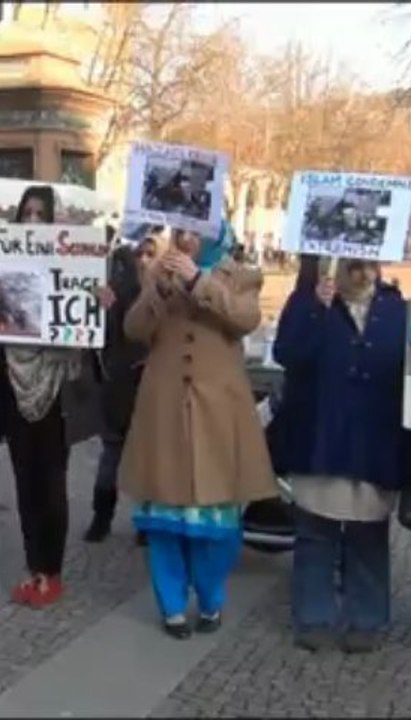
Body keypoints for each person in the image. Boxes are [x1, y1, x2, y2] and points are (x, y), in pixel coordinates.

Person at [120, 221, 277, 639]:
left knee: (217, 526)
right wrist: (158, 290)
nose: (186, 239)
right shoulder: (156, 273)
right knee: (164, 523)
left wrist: (198, 281)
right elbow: (133, 329)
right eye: (182, 231)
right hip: (165, 409)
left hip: (218, 412)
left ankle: (210, 599)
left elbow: (245, 318)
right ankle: (171, 605)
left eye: (196, 231)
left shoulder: (240, 273)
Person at [274, 258, 408, 654]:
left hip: (375, 439)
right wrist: (314, 306)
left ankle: (366, 619)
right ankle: (313, 616)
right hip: (321, 436)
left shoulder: (396, 310)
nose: (362, 274)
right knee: (316, 533)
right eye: (354, 267)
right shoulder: (308, 302)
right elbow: (288, 353)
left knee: (369, 535)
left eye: (369, 266)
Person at [0, 185, 99, 609]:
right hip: (14, 384)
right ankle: (34, 566)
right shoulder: (1, 266)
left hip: (55, 388)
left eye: (41, 213)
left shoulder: (72, 263)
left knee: (51, 482)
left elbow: (88, 322)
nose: (33, 220)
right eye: (27, 213)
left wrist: (98, 304)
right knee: (24, 483)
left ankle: (51, 571)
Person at [85, 228, 152, 543]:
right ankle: (143, 525)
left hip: (116, 380)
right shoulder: (143, 292)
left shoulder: (110, 294)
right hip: (137, 379)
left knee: (112, 454)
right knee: (141, 456)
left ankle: (101, 519)